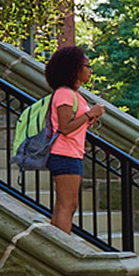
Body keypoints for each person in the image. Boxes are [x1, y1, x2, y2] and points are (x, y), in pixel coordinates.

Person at [44, 46, 105, 234]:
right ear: (74, 69)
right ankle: (60, 250)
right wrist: (89, 115)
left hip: (72, 153)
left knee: (69, 204)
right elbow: (64, 127)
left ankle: (58, 245)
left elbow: (74, 126)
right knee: (67, 204)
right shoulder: (64, 93)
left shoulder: (75, 95)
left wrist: (90, 119)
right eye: (87, 65)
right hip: (63, 153)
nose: (90, 70)